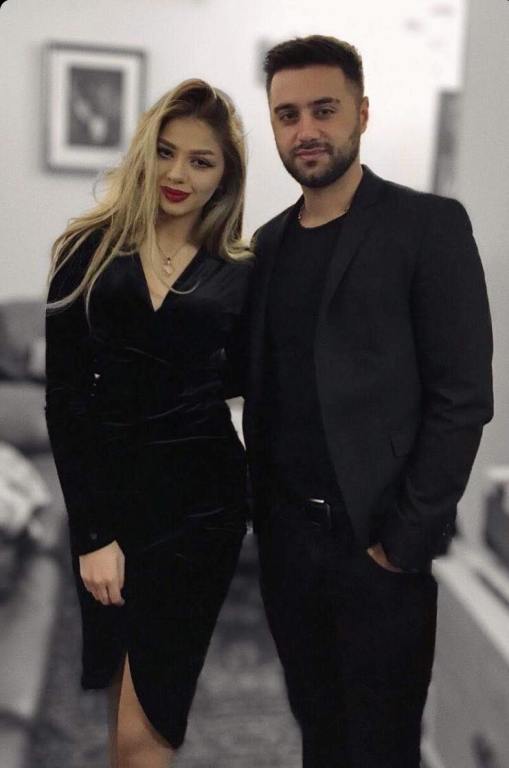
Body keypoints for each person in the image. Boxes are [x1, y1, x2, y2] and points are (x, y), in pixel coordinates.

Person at [243, 35, 493, 768]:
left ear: (361, 113)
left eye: (324, 110)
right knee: (318, 736)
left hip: (379, 549)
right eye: (287, 114)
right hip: (287, 550)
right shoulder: (265, 245)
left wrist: (403, 542)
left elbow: (462, 397)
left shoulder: (428, 225)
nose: (305, 130)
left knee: (382, 748)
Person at [45, 79, 251, 768]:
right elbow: (65, 402)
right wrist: (93, 534)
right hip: (112, 503)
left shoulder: (240, 271)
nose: (177, 173)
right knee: (120, 695)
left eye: (201, 160)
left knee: (148, 727)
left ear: (225, 174)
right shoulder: (88, 250)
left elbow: (253, 380)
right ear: (144, 151)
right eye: (166, 151)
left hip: (202, 509)